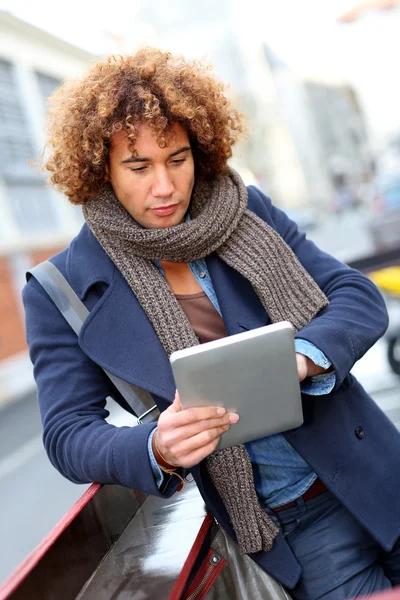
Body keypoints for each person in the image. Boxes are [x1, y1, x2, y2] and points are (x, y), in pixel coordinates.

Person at [23, 48, 400, 599]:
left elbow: (355, 296)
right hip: (293, 526)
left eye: (177, 158)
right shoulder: (62, 290)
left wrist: (300, 358)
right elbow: (66, 435)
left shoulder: (245, 213)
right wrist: (157, 447)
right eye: (139, 166)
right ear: (98, 168)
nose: (165, 186)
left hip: (379, 467)